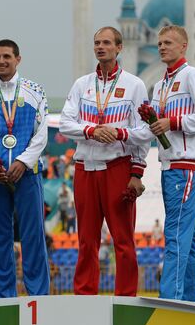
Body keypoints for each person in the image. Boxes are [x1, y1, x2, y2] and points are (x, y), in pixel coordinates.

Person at [60, 26, 150, 296]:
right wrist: (91, 131)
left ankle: (126, 299)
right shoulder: (82, 84)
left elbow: (145, 131)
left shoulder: (134, 85)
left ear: (119, 47)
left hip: (117, 168)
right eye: (97, 42)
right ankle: (85, 297)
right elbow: (65, 123)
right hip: (85, 169)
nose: (101, 47)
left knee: (123, 240)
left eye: (107, 43)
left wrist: (136, 171)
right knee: (86, 241)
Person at [0, 39, 50, 298]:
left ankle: (37, 297)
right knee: (0, 239)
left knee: (33, 237)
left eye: (6, 56)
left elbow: (42, 134)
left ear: (18, 59)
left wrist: (23, 161)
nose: (1, 61)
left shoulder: (35, 92)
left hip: (28, 175)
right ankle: (5, 299)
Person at [147, 25, 195, 302]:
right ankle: (193, 299)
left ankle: (171, 302)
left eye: (168, 42)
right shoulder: (161, 84)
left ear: (184, 46)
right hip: (169, 164)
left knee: (175, 233)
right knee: (191, 239)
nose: (162, 47)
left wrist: (173, 122)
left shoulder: (192, 75)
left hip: (187, 165)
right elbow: (157, 124)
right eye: (159, 43)